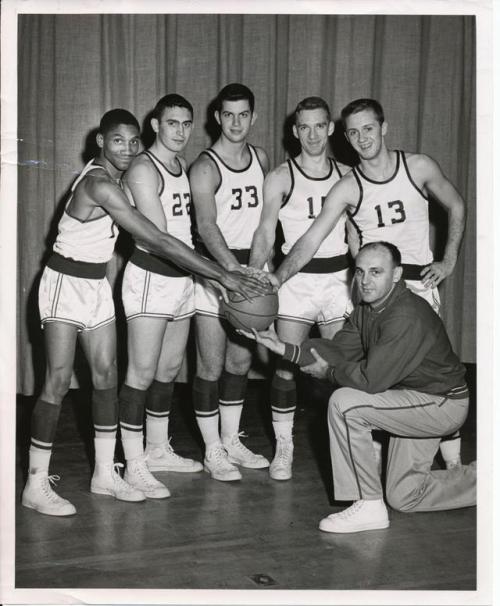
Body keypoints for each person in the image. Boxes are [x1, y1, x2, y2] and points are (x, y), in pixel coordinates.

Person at [21, 109, 269, 516]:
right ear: (100, 141)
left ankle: (105, 473)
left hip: (97, 284)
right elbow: (156, 238)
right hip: (64, 282)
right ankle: (35, 483)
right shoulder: (100, 184)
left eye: (133, 141)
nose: (127, 148)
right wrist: (224, 275)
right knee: (58, 380)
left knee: (105, 378)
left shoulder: (120, 177)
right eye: (117, 140)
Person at [271, 98, 466, 469]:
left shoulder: (418, 166)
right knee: (381, 376)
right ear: (345, 137)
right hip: (375, 292)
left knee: (429, 375)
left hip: (417, 286)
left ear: (384, 127)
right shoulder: (347, 187)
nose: (362, 138)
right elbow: (311, 239)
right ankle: (378, 457)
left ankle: (455, 465)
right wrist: (279, 277)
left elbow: (456, 205)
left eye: (369, 129)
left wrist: (449, 260)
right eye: (354, 132)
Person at [244, 241, 476, 533]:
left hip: (442, 403)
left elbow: (370, 381)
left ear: (396, 274)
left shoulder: (405, 315)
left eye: (376, 272)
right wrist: (284, 349)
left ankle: (368, 504)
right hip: (415, 400)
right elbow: (338, 349)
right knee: (405, 495)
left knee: (346, 403)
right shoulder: (369, 308)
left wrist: (328, 373)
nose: (365, 281)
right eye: (360, 272)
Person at [249, 97, 351, 480]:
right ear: (295, 131)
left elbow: (356, 234)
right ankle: (284, 448)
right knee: (286, 367)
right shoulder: (280, 176)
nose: (312, 134)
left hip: (338, 280)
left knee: (340, 368)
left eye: (319, 126)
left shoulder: (347, 174)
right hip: (294, 281)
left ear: (330, 129)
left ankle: (346, 449)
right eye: (304, 127)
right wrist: (253, 275)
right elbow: (264, 232)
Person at [189, 83, 271, 481]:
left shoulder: (261, 157)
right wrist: (230, 274)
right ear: (217, 118)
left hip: (249, 270)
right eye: (228, 115)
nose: (236, 123)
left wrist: (255, 270)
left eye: (244, 115)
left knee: (240, 362)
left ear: (253, 117)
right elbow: (205, 225)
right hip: (214, 272)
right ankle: (211, 449)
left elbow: (265, 224)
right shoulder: (205, 165)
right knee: (210, 363)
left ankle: (231, 439)